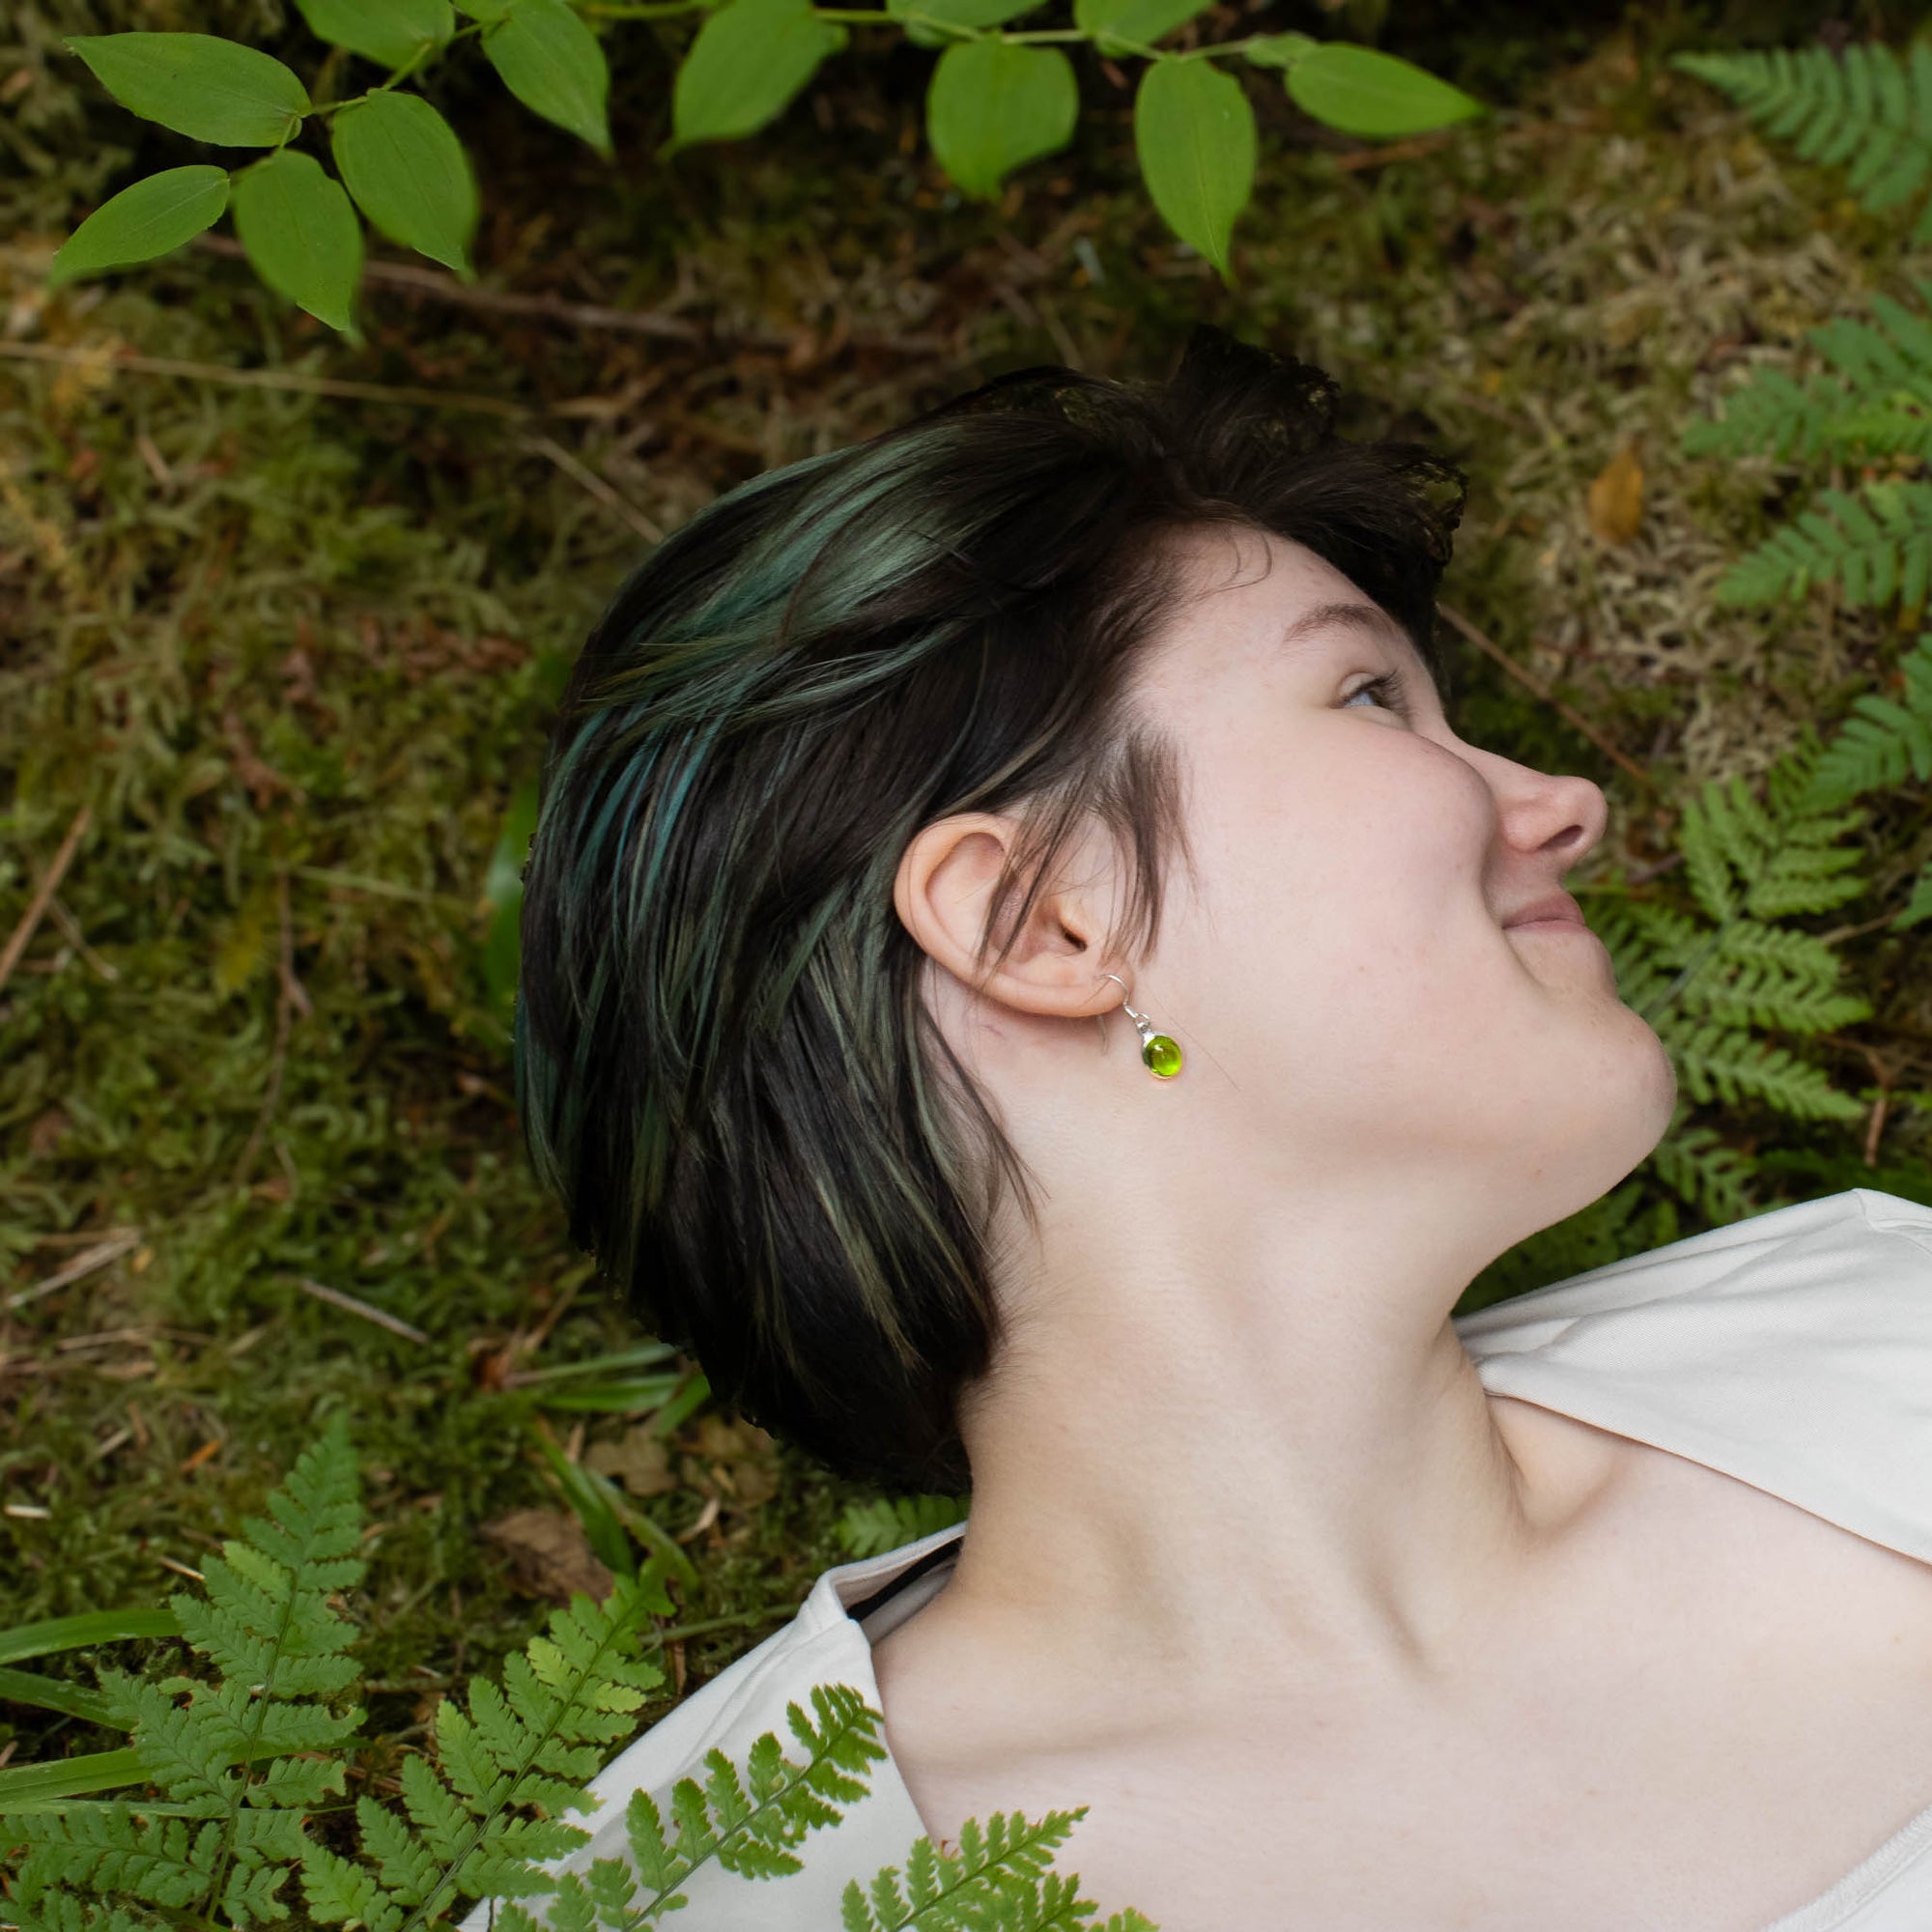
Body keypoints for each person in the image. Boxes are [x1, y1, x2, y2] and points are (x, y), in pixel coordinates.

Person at [489, 327, 1932, 1930]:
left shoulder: (1890, 1336)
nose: (1563, 806)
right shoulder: (705, 1901)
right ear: (1045, 920)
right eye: (1372, 696)